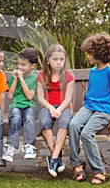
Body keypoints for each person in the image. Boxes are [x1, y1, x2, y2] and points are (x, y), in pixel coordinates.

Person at [69, 32, 110, 184]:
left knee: (86, 133)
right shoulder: (93, 71)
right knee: (73, 125)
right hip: (89, 107)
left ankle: (100, 171)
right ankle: (76, 164)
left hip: (104, 110)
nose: (88, 57)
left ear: (100, 54)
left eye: (90, 54)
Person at [37, 44, 75, 177]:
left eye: (61, 59)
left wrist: (59, 109)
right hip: (47, 106)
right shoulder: (42, 76)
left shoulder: (68, 77)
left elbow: (68, 98)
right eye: (55, 59)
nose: (59, 62)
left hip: (64, 107)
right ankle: (56, 156)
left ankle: (52, 159)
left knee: (64, 122)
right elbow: (40, 98)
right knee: (43, 122)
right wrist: (52, 108)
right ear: (48, 60)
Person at [2, 48, 39, 163]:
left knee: (28, 118)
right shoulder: (14, 77)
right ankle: (11, 147)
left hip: (30, 105)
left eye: (23, 65)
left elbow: (29, 97)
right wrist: (15, 80)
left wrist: (22, 80)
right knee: (16, 118)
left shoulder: (35, 78)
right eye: (18, 64)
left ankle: (29, 146)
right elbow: (10, 95)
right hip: (16, 104)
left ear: (33, 66)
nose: (20, 67)